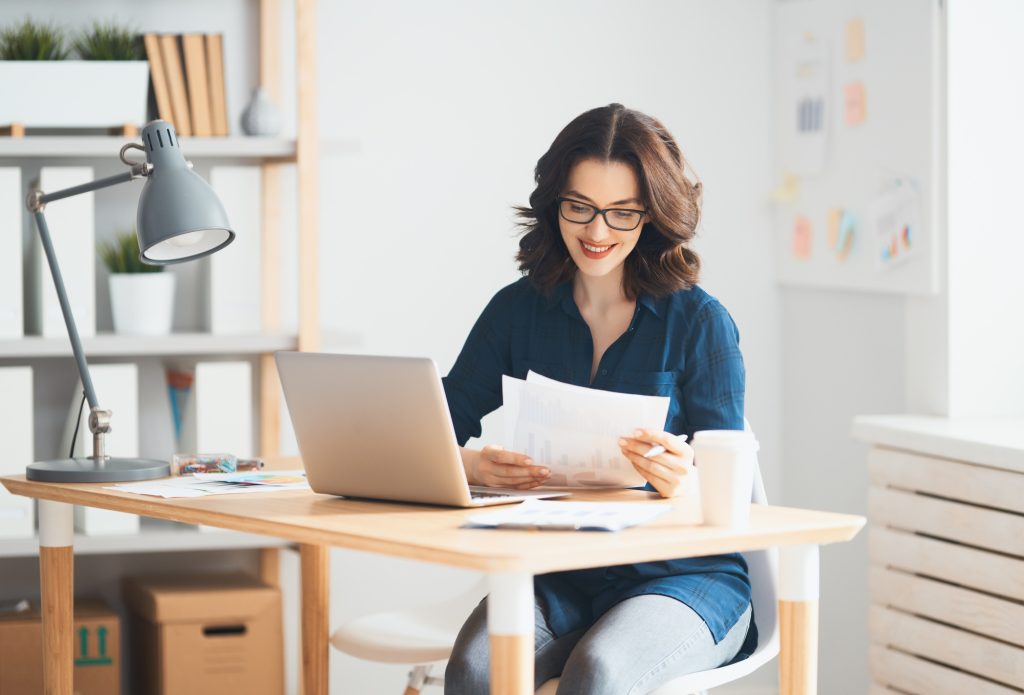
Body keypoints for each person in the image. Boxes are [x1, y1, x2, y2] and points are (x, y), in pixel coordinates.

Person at [441, 103, 756, 695]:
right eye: (580, 207)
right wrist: (473, 466)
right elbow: (431, 428)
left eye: (622, 213)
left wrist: (682, 478)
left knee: (598, 673)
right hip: (562, 571)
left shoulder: (700, 322)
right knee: (476, 671)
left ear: (653, 216)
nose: (597, 231)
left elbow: (728, 495)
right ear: (554, 202)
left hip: (685, 578)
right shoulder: (517, 310)